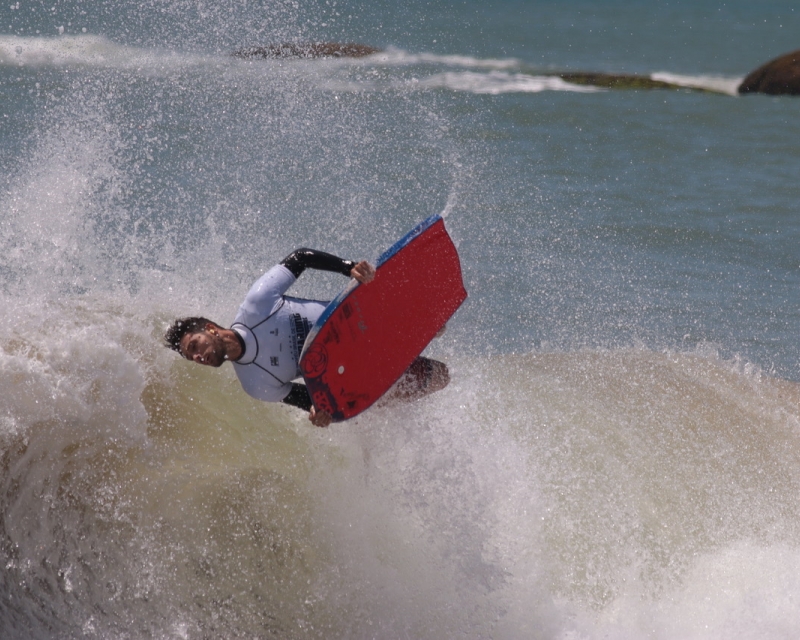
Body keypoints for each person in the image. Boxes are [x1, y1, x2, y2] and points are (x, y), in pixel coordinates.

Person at [164, 248, 449, 427]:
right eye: (192, 358)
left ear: (210, 328)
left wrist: (346, 267)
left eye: (194, 346)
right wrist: (319, 412)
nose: (198, 357)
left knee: (439, 323)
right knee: (441, 376)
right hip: (357, 371)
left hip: (363, 324)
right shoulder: (255, 384)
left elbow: (301, 258)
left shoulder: (258, 303)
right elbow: (309, 398)